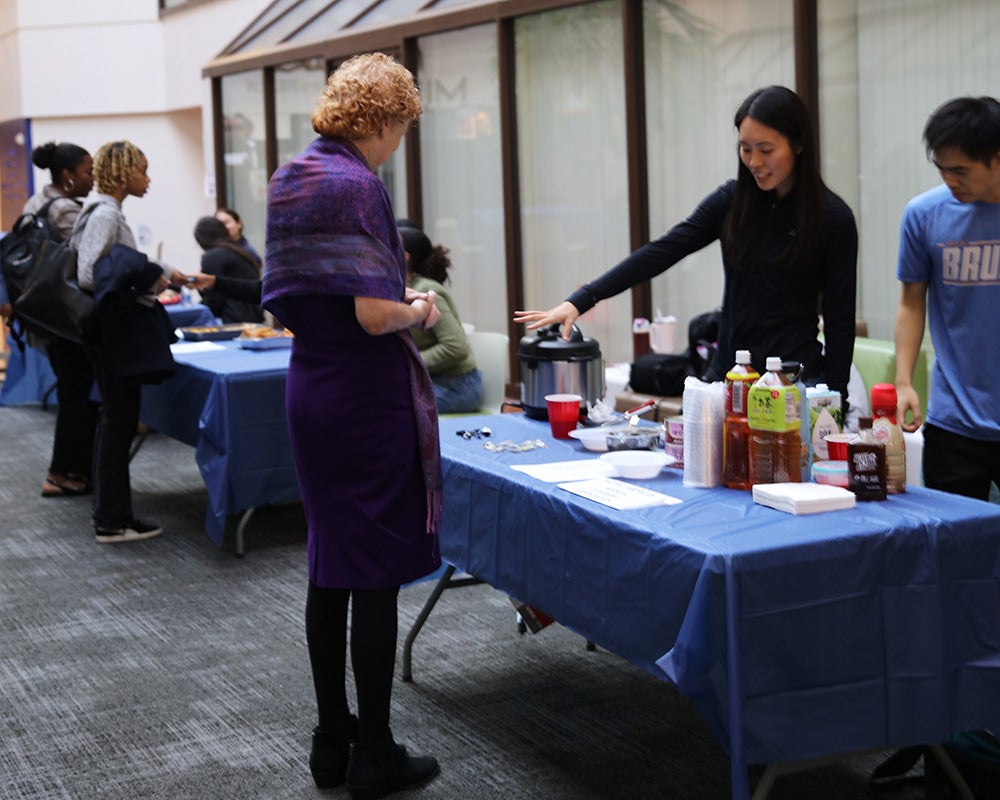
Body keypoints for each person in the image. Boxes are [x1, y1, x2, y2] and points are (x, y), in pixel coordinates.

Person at [262, 53, 441, 798]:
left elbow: (286, 296)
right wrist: (420, 309)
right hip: (367, 397)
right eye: (402, 125)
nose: (399, 141)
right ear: (385, 118)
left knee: (328, 561)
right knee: (375, 573)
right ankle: (375, 751)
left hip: (312, 388)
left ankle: (328, 741)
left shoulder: (290, 178)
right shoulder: (360, 186)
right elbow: (375, 314)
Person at [514, 85, 859, 411]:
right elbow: (665, 249)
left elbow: (840, 322)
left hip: (794, 383)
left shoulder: (832, 219)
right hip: (730, 378)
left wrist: (835, 399)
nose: (754, 161)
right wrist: (583, 298)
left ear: (798, 144)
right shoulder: (732, 202)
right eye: (745, 148)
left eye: (766, 150)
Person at [74, 140, 179, 543]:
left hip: (111, 332)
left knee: (114, 425)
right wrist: (140, 278)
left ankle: (111, 514)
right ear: (122, 172)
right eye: (142, 170)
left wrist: (156, 271)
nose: (147, 179)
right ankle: (112, 520)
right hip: (115, 332)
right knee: (117, 425)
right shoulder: (105, 214)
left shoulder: (103, 211)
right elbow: (90, 273)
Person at [895, 96, 1000, 500]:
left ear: (996, 158)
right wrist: (904, 380)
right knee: (955, 554)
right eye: (941, 170)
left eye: (961, 171)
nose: (949, 181)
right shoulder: (923, 215)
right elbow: (910, 301)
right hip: (953, 421)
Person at [10, 142, 99, 498]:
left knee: (72, 391)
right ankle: (63, 472)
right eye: (88, 171)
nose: (93, 178)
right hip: (66, 317)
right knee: (77, 394)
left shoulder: (37, 201)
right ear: (68, 175)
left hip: (44, 315)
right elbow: (89, 258)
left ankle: (68, 470)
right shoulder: (65, 210)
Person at [398, 221, 482, 413]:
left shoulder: (427, 291)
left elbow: (456, 347)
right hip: (431, 381)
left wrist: (410, 363)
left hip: (459, 386)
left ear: (404, 257)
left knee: (389, 404)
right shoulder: (399, 290)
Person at [192, 216, 264, 324]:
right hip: (254, 315)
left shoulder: (212, 256)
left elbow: (214, 302)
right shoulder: (239, 249)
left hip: (234, 319)